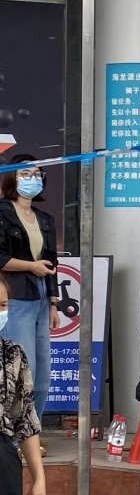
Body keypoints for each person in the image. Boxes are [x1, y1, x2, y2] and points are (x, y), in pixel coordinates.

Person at [0, 155, 59, 447]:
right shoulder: (2, 212)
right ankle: (12, 441)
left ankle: (31, 437)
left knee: (43, 373)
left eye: (37, 174)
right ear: (12, 177)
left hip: (40, 295)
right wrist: (30, 266)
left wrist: (53, 302)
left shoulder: (45, 218)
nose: (32, 179)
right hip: (14, 293)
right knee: (22, 370)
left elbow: (51, 262)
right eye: (25, 174)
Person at [0, 273, 47, 495]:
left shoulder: (13, 353)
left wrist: (38, 477)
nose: (1, 312)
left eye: (3, 305)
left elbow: (25, 418)